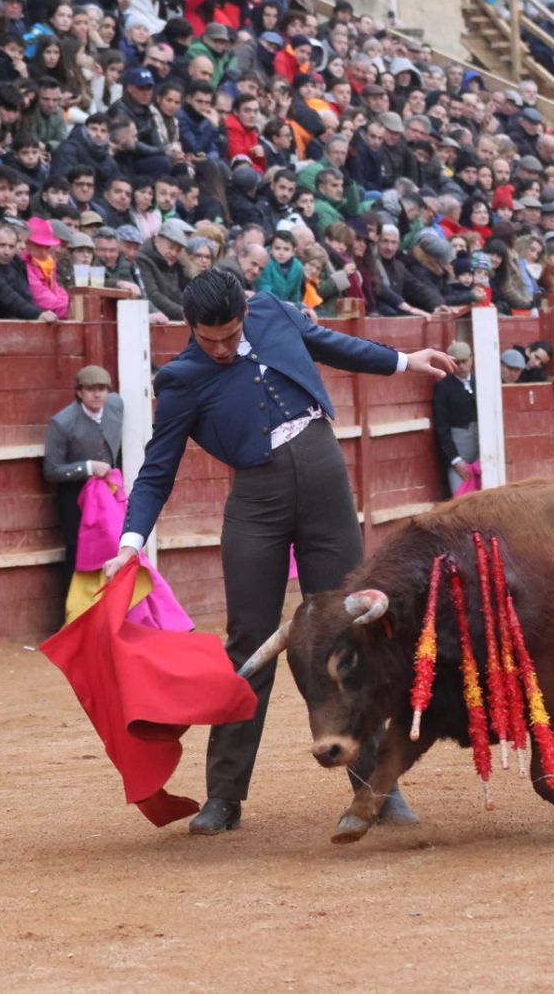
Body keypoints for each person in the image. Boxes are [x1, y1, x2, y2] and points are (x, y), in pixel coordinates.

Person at [99, 269, 457, 835]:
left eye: (228, 336)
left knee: (348, 629)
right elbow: (157, 469)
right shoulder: (181, 378)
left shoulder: (270, 311)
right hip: (256, 502)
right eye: (206, 339)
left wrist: (404, 361)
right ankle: (224, 796)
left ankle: (376, 789)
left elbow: (335, 345)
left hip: (324, 482)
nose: (218, 349)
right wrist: (129, 543)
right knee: (248, 639)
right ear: (189, 326)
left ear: (243, 312)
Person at [42, 364, 124, 577]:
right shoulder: (63, 422)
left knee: (117, 544)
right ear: (79, 392)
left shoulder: (116, 405)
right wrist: (87, 467)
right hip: (76, 496)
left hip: (109, 491)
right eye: (90, 389)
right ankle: (77, 608)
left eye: (102, 388)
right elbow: (51, 470)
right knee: (78, 551)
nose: (97, 394)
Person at [432, 340, 478, 497]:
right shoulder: (443, 388)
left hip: (484, 454)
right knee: (461, 501)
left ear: (471, 359)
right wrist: (455, 460)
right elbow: (441, 429)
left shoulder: (480, 382)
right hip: (459, 454)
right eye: (457, 362)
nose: (462, 366)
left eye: (465, 361)